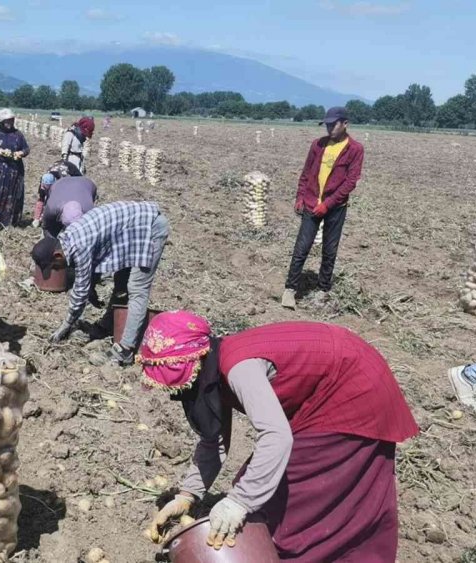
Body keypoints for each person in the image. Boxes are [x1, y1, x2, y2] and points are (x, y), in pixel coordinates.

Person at [141, 312, 419, 561]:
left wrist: (240, 501)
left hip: (352, 390)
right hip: (335, 385)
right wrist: (187, 496)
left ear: (198, 359)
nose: (181, 392)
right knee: (283, 488)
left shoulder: (239, 368)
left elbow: (276, 437)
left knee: (292, 493)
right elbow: (215, 439)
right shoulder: (214, 368)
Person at [33, 201, 169, 365]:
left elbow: (80, 292)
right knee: (121, 283)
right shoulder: (68, 237)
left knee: (137, 288)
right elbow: (91, 271)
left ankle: (125, 350)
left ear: (57, 256)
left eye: (55, 267)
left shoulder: (79, 245)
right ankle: (107, 325)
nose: (58, 270)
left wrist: (66, 324)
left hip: (149, 227)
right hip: (131, 233)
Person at [281, 106, 364, 309]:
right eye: (327, 124)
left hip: (335, 207)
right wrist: (300, 196)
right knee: (302, 247)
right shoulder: (318, 145)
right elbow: (307, 172)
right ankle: (290, 290)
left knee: (329, 249)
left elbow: (350, 182)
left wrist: (327, 204)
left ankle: (323, 289)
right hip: (311, 202)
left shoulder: (355, 149)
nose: (329, 128)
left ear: (345, 124)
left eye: (333, 124)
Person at [0, 108, 30, 230]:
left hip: (14, 171)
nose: (10, 123)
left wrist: (20, 153)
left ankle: (8, 222)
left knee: (11, 195)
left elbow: (26, 149)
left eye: (11, 120)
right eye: (7, 121)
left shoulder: (17, 134)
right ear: (1, 121)